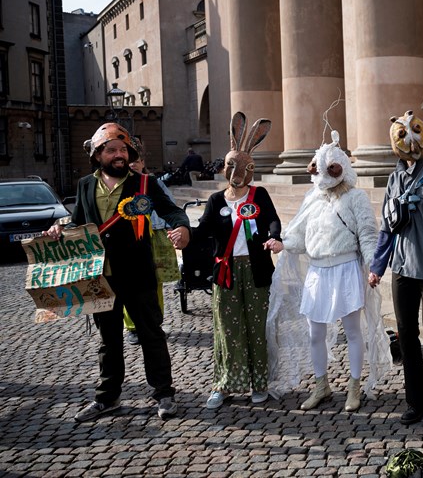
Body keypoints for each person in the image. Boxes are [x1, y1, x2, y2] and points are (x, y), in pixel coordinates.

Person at [45, 122, 191, 422]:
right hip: (100, 277)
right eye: (111, 150)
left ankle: (164, 394)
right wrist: (61, 228)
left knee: (151, 336)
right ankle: (106, 398)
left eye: (123, 149)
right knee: (108, 340)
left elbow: (171, 211)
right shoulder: (85, 185)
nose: (119, 154)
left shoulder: (144, 185)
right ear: (98, 155)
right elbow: (81, 222)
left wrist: (182, 227)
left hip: (138, 275)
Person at [266, 130, 390, 411]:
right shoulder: (313, 198)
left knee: (353, 331)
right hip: (318, 272)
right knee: (315, 333)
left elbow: (368, 235)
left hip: (345, 268)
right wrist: (282, 244)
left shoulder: (356, 198)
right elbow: (300, 236)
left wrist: (373, 265)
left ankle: (354, 386)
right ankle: (321, 385)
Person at [368, 110, 423, 430]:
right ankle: (415, 401)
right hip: (402, 271)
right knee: (406, 336)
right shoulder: (394, 179)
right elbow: (386, 228)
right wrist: (378, 266)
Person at [194, 112, 281, 410]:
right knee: (227, 328)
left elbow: (272, 221)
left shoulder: (259, 195)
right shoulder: (217, 200)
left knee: (257, 326)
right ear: (225, 168)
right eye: (232, 165)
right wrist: (183, 235)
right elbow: (203, 230)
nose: (238, 172)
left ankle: (259, 383)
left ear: (251, 169)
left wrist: (274, 238)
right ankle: (225, 384)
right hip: (227, 271)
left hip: (256, 269)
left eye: (244, 167)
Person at [122, 144, 179, 345]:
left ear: (143, 163)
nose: (133, 166)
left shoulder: (153, 183)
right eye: (130, 163)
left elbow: (170, 207)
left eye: (136, 162)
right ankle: (132, 327)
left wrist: (175, 227)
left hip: (154, 235)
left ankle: (155, 322)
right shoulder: (120, 185)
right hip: (129, 240)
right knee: (129, 283)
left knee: (155, 283)